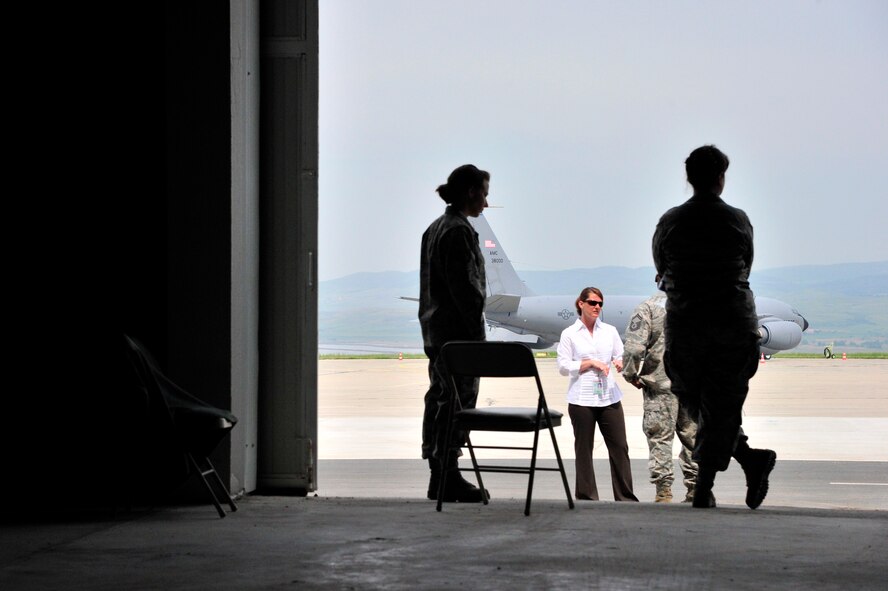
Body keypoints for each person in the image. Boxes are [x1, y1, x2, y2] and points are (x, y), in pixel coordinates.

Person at [652, 145, 777, 509]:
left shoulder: (671, 221)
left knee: (701, 402)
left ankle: (704, 488)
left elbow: (661, 264)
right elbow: (746, 267)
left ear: (689, 178)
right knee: (716, 405)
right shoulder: (737, 220)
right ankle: (749, 460)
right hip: (729, 323)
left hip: (689, 322)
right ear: (721, 179)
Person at [419, 164, 491, 503]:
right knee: (455, 404)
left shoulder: (434, 229)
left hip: (437, 335)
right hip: (459, 339)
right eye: (484, 195)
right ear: (472, 192)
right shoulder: (458, 232)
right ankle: (447, 473)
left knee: (439, 399)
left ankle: (440, 472)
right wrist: (476, 340)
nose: (486, 204)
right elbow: (467, 292)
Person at [556, 287, 638, 502]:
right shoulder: (569, 334)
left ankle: (625, 497)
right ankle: (586, 497)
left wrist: (620, 362)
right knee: (584, 449)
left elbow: (619, 353)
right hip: (581, 399)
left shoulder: (609, 331)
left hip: (609, 396)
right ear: (580, 303)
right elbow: (563, 367)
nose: (597, 307)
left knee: (620, 447)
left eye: (600, 304)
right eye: (592, 302)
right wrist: (589, 363)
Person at [622, 275, 699, 503]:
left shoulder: (647, 309)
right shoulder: (696, 307)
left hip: (660, 386)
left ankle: (664, 491)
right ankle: (696, 488)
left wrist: (630, 374)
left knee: (660, 438)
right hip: (692, 386)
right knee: (693, 437)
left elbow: (635, 348)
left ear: (658, 279)